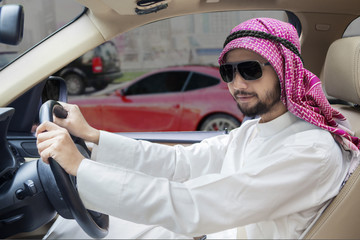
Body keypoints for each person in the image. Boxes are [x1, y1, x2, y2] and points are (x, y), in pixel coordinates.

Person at [36, 18, 360, 239]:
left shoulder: (311, 152)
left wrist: (80, 166)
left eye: (250, 70)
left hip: (208, 226)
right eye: (228, 72)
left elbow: (192, 206)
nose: (237, 84)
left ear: (284, 70)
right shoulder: (257, 128)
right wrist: (93, 136)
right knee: (71, 229)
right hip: (212, 230)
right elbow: (182, 164)